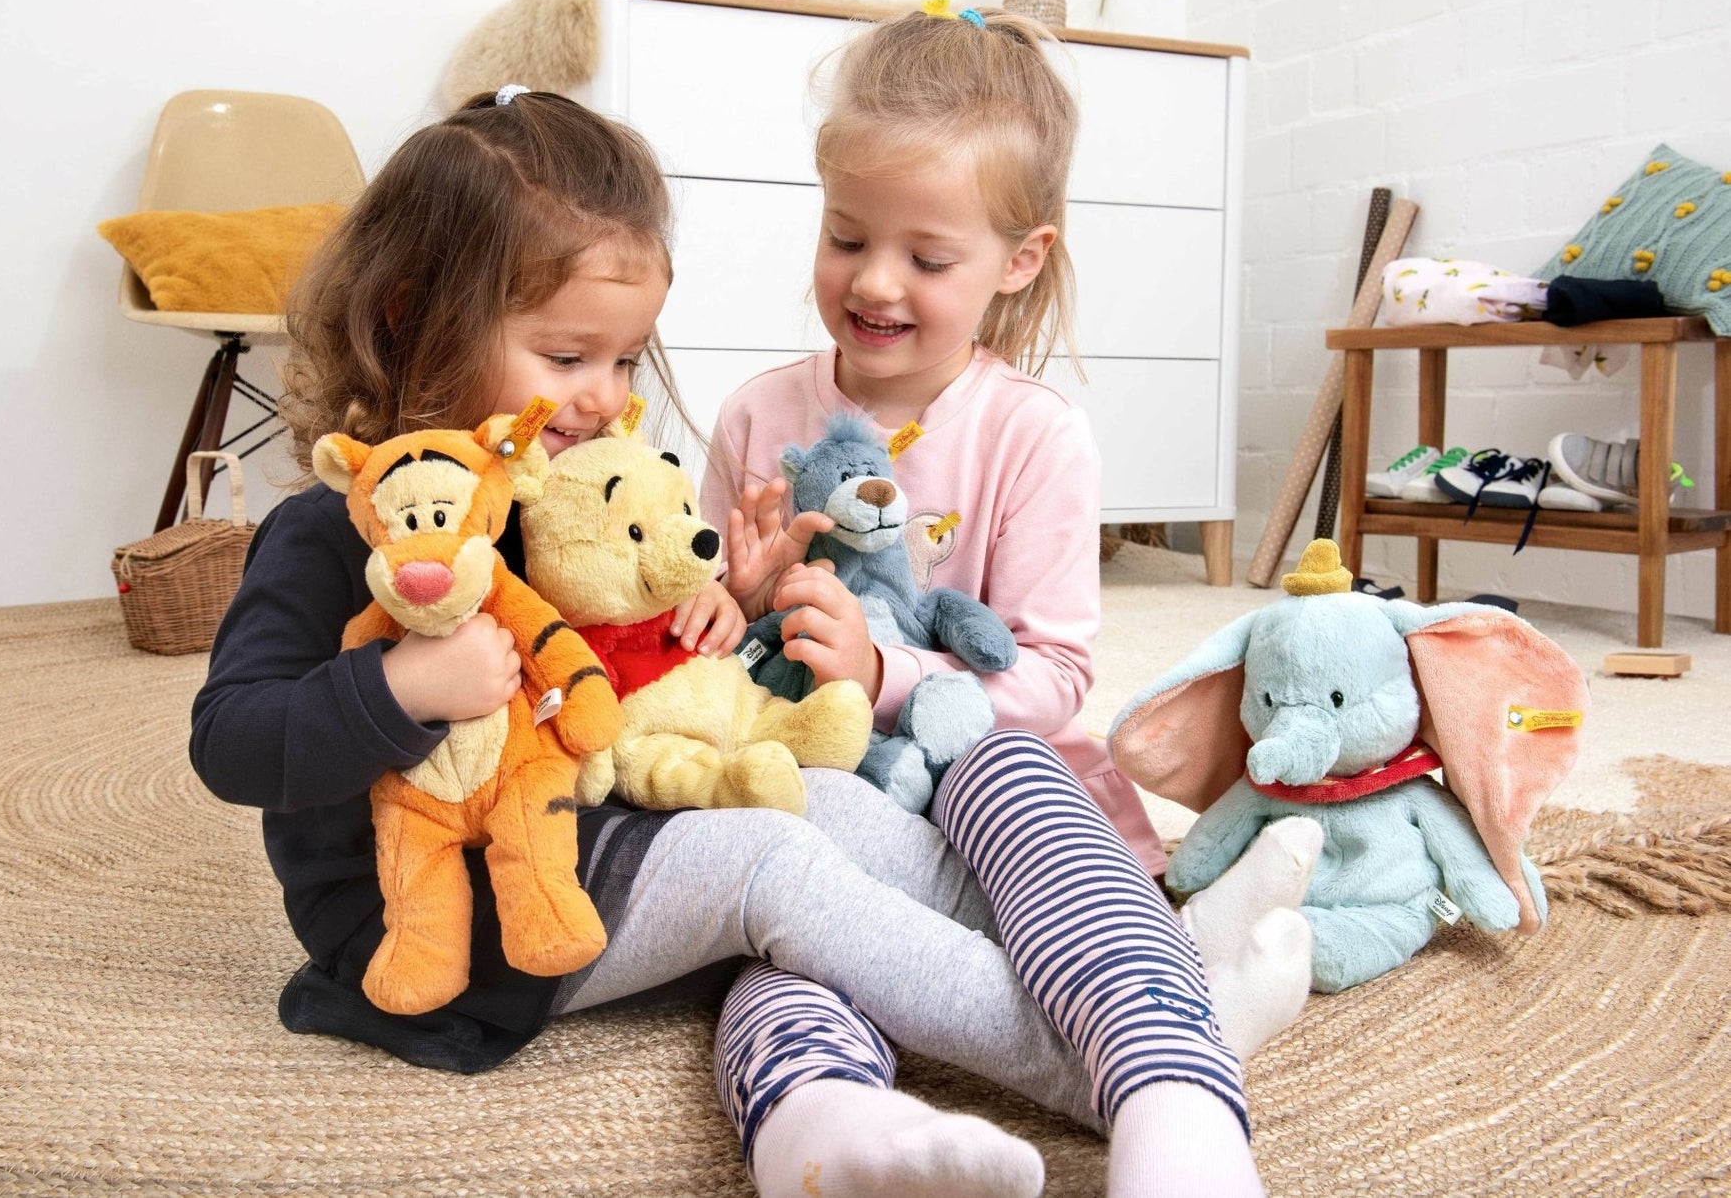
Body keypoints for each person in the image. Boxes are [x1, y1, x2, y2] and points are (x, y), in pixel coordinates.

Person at [190, 83, 1309, 1198]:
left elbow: (627, 688)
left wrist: (724, 611)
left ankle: (1140, 997)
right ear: (407, 317)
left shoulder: (555, 513)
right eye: (568, 356)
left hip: (595, 831)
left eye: (624, 363)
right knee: (770, 863)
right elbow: (230, 742)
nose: (602, 399)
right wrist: (402, 682)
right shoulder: (323, 534)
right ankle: (1151, 1070)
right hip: (445, 915)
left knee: (833, 806)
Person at [700, 6, 1318, 1196]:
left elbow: (1051, 678)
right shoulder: (753, 417)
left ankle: (1176, 1112)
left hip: (1004, 831)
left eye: (927, 260)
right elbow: (703, 660)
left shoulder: (1030, 433)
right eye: (843, 238)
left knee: (999, 763)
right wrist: (731, 603)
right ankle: (822, 1131)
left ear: (1017, 260)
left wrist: (890, 679)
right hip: (838, 811)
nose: (874, 283)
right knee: (773, 904)